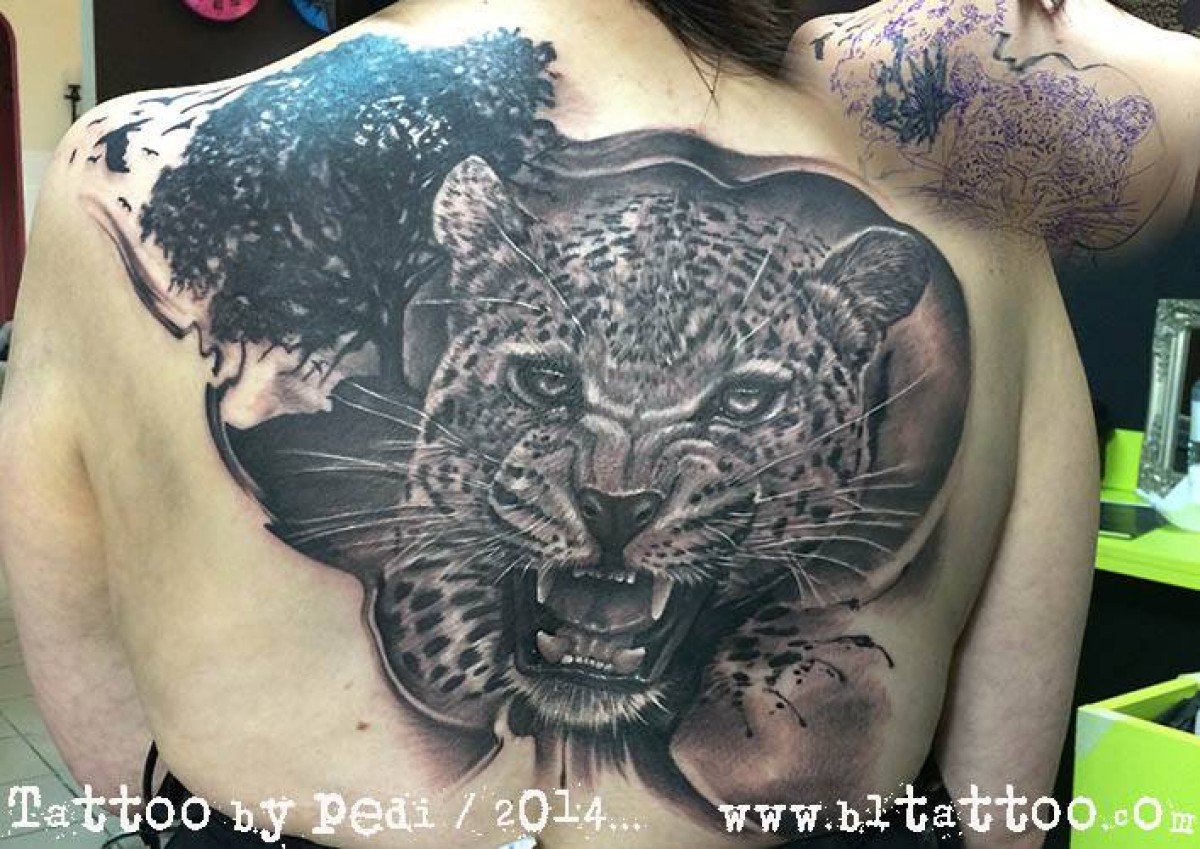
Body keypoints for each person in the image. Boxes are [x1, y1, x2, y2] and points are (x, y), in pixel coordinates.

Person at [0, 0, 1197, 847]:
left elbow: (116, 753)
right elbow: (1002, 806)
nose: (619, 480)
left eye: (746, 399)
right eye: (540, 385)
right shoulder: (976, 208)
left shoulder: (118, 177)